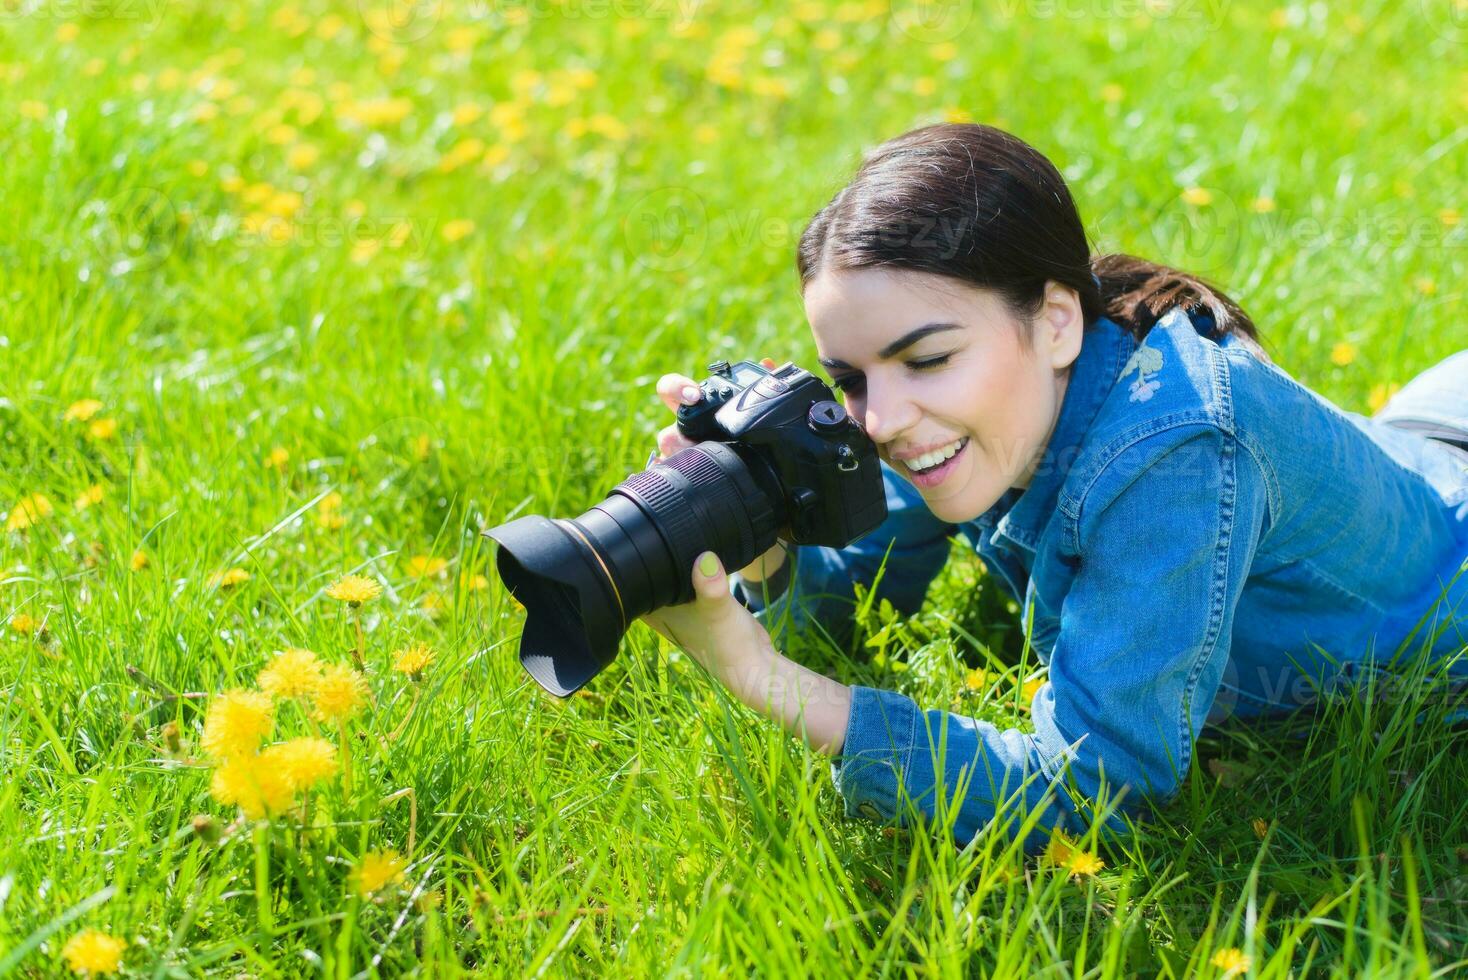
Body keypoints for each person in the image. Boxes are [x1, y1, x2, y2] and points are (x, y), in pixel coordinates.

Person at [637, 123, 1468, 853]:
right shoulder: (974, 416)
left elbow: (1092, 787)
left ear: (1059, 320)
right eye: (850, 376)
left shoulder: (1171, 457)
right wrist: (754, 526)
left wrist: (771, 682)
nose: (881, 418)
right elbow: (854, 595)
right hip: (1422, 437)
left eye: (927, 359)